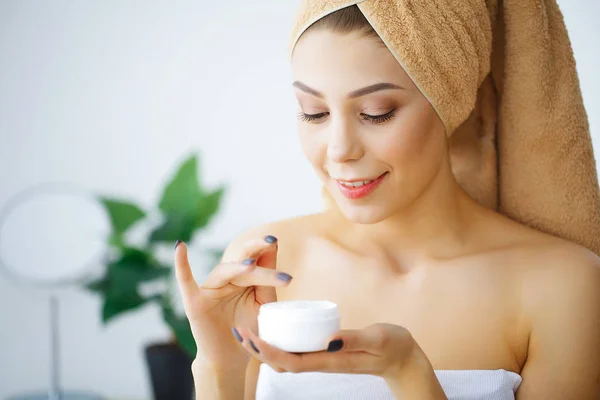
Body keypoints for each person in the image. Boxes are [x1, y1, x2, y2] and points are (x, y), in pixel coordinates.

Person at [173, 4, 600, 400]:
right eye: (313, 113)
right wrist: (218, 366)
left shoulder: (561, 286)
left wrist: (411, 374)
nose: (339, 150)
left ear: (448, 102)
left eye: (376, 112)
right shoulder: (270, 266)